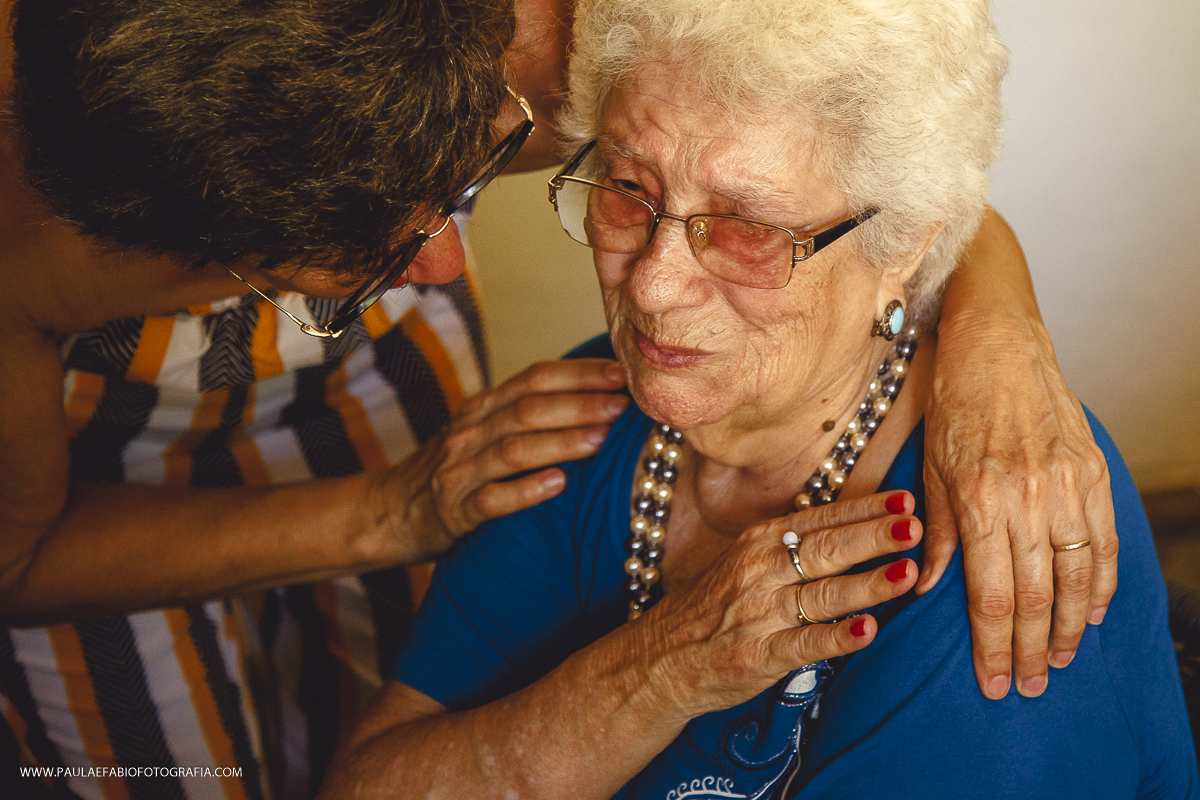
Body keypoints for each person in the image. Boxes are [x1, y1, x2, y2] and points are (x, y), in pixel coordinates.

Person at [0, 0, 1118, 797]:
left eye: (472, 178)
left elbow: (878, 166)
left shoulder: (561, 42)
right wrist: (390, 513)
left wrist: (996, 335)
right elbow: (17, 558)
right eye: (625, 192)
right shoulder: (45, 223)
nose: (446, 262)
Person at [320, 0, 1198, 796]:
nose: (656, 287)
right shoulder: (589, 414)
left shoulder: (992, 527)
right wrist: (662, 669)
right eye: (629, 191)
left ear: (899, 245)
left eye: (745, 230)